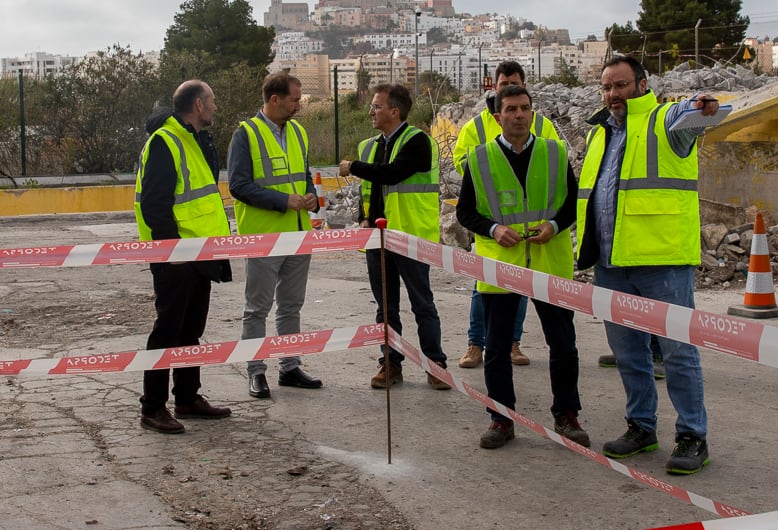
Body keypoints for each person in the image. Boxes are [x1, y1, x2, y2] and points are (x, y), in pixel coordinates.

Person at [576, 54, 721, 473]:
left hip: (662, 261)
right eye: (606, 87)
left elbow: (691, 112)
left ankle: (693, 434)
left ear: (641, 85)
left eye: (620, 85)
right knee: (628, 354)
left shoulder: (665, 122)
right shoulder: (600, 133)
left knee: (677, 352)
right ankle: (641, 426)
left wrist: (699, 105)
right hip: (611, 261)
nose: (612, 94)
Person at [456, 83, 586, 450]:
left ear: (533, 113)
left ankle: (567, 414)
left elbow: (573, 202)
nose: (518, 115)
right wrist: (494, 229)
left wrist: (556, 226)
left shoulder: (555, 153)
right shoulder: (480, 159)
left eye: (524, 108)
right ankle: (501, 418)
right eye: (510, 109)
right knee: (496, 349)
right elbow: (466, 211)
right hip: (501, 266)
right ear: (498, 117)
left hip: (549, 264)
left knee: (563, 345)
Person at [133, 80, 234, 434]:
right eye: (212, 100)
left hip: (200, 251)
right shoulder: (165, 141)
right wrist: (169, 248)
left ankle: (187, 397)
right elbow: (154, 203)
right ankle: (153, 407)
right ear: (197, 105)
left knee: (191, 330)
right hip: (177, 254)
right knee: (167, 331)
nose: (216, 107)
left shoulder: (193, 139)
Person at [451, 60, 564, 370]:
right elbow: (464, 160)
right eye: (503, 86)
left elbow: (555, 161)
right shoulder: (478, 125)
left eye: (516, 85)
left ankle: (513, 342)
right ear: (495, 88)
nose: (517, 113)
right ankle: (476, 343)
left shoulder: (540, 124)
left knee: (523, 290)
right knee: (484, 287)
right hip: (491, 219)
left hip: (531, 228)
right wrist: (491, 180)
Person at [338, 82, 450, 391]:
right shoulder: (369, 145)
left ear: (395, 111)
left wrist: (353, 167)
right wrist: (364, 218)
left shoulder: (418, 142)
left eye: (376, 106)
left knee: (422, 304)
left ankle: (435, 363)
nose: (371, 111)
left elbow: (390, 173)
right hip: (377, 239)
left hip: (410, 237)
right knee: (385, 308)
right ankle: (390, 363)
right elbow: (370, 191)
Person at [228, 71, 324, 399]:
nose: (299, 105)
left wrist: (310, 196)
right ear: (275, 99)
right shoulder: (246, 134)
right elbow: (239, 186)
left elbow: (304, 174)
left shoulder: (298, 132)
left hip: (298, 235)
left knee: (291, 306)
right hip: (264, 237)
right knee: (257, 308)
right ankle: (256, 372)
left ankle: (290, 366)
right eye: (295, 100)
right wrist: (285, 201)